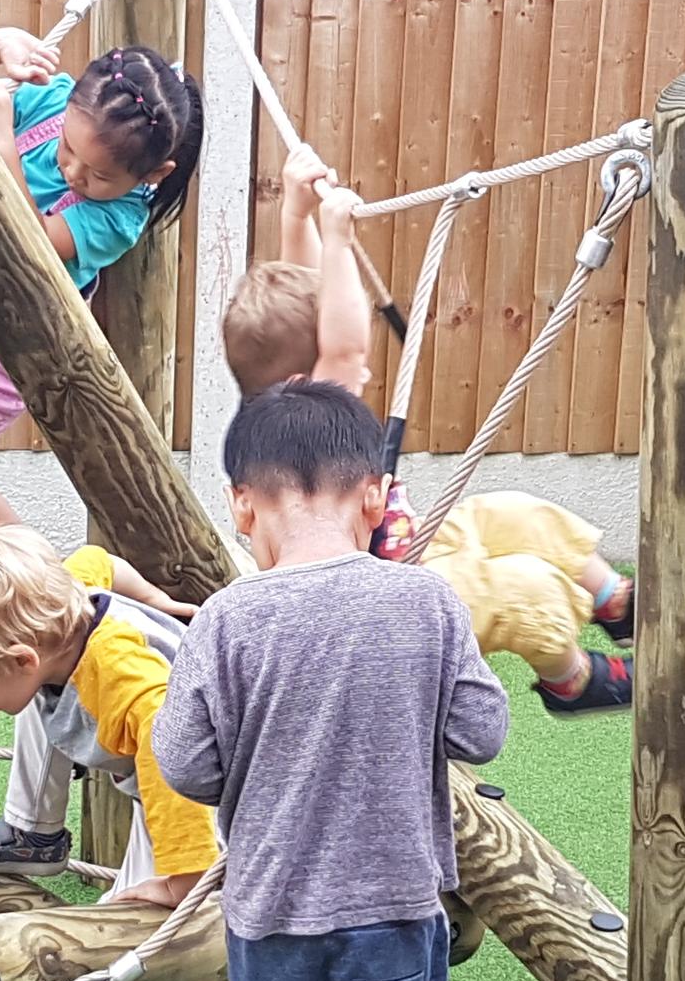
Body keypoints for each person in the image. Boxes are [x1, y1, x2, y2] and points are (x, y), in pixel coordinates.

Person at [153, 379, 508, 981]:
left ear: (243, 504)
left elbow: (186, 765)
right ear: (375, 498)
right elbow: (481, 733)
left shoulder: (228, 618)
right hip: (391, 913)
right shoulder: (423, 601)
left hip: (269, 920)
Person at [222, 146, 635, 714]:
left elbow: (316, 303)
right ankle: (572, 678)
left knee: (513, 513)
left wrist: (296, 215)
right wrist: (337, 240)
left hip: (406, 547)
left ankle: (615, 601)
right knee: (519, 589)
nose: (360, 371)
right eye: (341, 365)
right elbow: (343, 344)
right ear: (305, 376)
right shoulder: (301, 427)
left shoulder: (270, 406)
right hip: (380, 604)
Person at [0, 37, 204, 535]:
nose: (73, 172)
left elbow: (29, 244)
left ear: (153, 174)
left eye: (100, 174)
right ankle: (32, 577)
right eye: (67, 147)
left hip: (4, 344)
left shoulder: (120, 217)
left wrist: (1, 143)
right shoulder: (46, 101)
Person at [0, 525, 214, 909]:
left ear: (23, 658)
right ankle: (33, 835)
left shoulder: (123, 682)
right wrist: (152, 597)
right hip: (156, 757)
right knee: (37, 695)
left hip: (204, 791)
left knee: (124, 917)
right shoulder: (64, 603)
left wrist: (183, 882)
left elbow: (174, 755)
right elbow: (99, 560)